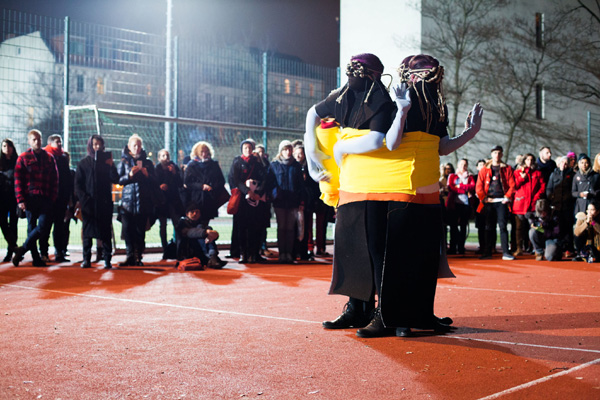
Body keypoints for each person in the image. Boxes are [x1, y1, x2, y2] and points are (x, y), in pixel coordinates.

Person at [305, 53, 482, 337]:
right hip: (375, 182)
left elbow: (438, 145)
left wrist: (469, 133)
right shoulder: (385, 100)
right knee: (364, 250)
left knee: (412, 255)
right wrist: (332, 148)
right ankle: (368, 311)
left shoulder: (434, 105)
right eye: (425, 73)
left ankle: (410, 314)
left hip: (412, 185)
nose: (432, 79)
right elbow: (387, 141)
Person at [12, 129, 58, 267]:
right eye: (34, 139)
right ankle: (35, 258)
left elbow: (55, 179)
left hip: (45, 198)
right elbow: (18, 180)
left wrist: (53, 197)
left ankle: (22, 250)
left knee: (43, 226)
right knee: (31, 227)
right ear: (29, 141)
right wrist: (20, 199)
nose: (37, 141)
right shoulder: (23, 158)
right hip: (30, 198)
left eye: (39, 139)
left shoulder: (49, 158)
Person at [75, 135, 120, 269]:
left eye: (100, 144)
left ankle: (107, 259)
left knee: (106, 232)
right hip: (88, 204)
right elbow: (78, 184)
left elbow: (116, 179)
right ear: (90, 145)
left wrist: (111, 166)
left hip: (104, 203)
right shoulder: (83, 163)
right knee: (87, 232)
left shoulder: (107, 163)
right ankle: (86, 259)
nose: (98, 147)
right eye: (95, 144)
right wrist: (84, 200)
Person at [117, 134, 157, 266]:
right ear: (129, 147)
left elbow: (155, 180)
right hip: (127, 202)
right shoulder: (124, 162)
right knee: (128, 230)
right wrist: (129, 175)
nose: (137, 148)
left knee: (140, 231)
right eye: (134, 145)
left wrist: (147, 175)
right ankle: (129, 255)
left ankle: (138, 256)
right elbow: (118, 180)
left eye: (139, 145)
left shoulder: (148, 163)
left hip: (143, 201)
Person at [228, 138, 269, 263]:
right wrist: (247, 191)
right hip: (242, 199)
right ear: (242, 149)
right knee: (241, 227)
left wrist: (258, 193)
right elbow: (235, 180)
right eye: (245, 148)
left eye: (250, 148)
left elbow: (265, 178)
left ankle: (254, 253)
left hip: (255, 200)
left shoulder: (257, 163)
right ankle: (243, 253)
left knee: (255, 227)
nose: (247, 150)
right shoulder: (237, 162)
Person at [476, 145, 516, 260]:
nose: (497, 155)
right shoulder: (484, 169)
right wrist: (483, 198)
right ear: (491, 154)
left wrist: (507, 197)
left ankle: (506, 252)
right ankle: (487, 252)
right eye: (495, 153)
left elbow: (512, 185)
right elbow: (479, 186)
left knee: (503, 226)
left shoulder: (507, 168)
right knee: (489, 227)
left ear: (502, 155)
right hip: (489, 202)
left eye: (499, 153)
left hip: (501, 201)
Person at [268, 140, 305, 263]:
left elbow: (301, 185)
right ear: (281, 151)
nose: (288, 152)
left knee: (290, 228)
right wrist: (275, 194)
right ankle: (282, 253)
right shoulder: (274, 165)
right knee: (281, 227)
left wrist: (301, 201)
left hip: (293, 202)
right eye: (285, 149)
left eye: (289, 149)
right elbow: (270, 183)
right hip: (279, 202)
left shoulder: (296, 166)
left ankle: (288, 253)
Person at [39, 134, 72, 263]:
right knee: (45, 226)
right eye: (57, 142)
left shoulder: (63, 158)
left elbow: (67, 179)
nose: (60, 144)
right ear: (50, 143)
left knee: (60, 226)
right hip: (48, 198)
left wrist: (68, 197)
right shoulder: (45, 156)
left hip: (61, 198)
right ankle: (44, 252)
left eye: (60, 142)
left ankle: (59, 252)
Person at [184, 142, 227, 226]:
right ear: (197, 152)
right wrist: (201, 186)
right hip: (195, 198)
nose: (204, 154)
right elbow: (187, 182)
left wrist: (212, 187)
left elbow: (221, 181)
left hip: (209, 198)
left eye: (206, 151)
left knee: (205, 223)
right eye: (202, 152)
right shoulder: (191, 165)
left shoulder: (213, 165)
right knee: (194, 223)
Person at [512, 153, 545, 256]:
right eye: (527, 160)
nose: (529, 162)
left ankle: (535, 248)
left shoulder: (538, 173)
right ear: (524, 161)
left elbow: (542, 187)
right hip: (520, 204)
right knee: (519, 228)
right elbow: (513, 186)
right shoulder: (517, 172)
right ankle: (519, 248)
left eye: (531, 160)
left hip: (533, 205)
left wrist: (537, 197)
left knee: (535, 227)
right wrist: (522, 178)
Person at [176, 203, 226, 269]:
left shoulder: (201, 223)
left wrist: (214, 234)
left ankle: (212, 256)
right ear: (187, 214)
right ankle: (212, 258)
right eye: (192, 212)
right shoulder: (182, 224)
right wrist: (205, 232)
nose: (195, 214)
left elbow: (207, 231)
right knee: (202, 232)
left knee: (205, 230)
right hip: (188, 254)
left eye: (197, 212)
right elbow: (190, 232)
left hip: (200, 253)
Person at [155, 149, 184, 256]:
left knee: (177, 224)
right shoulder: (156, 169)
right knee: (163, 225)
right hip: (161, 201)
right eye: (163, 156)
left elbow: (180, 183)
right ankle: (165, 249)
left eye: (167, 155)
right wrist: (159, 187)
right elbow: (152, 184)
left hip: (173, 200)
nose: (166, 158)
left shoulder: (174, 167)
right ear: (159, 158)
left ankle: (179, 249)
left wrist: (174, 173)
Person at [546, 156, 576, 257]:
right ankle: (558, 248)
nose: (564, 164)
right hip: (556, 206)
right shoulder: (553, 174)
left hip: (568, 206)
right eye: (562, 162)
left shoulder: (572, 175)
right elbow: (549, 188)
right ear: (559, 164)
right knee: (558, 228)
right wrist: (551, 197)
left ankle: (569, 249)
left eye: (566, 163)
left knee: (568, 228)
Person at [446, 158, 475, 255]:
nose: (463, 166)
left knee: (463, 226)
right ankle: (453, 247)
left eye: (465, 165)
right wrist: (464, 190)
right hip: (454, 204)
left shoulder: (470, 176)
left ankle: (461, 247)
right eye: (461, 164)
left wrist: (460, 186)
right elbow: (450, 187)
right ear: (458, 165)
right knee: (453, 226)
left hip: (465, 204)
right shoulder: (452, 176)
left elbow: (472, 186)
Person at [1, 138, 18, 262]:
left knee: (13, 224)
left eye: (9, 146)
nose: (7, 148)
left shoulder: (17, 162)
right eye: (4, 146)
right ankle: (15, 247)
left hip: (14, 198)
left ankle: (10, 252)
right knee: (2, 222)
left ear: (13, 148)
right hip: (1, 198)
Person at [473, 159, 487, 254]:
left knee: (489, 226)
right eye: (480, 165)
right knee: (480, 227)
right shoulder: (474, 178)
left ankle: (490, 246)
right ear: (477, 167)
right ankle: (482, 246)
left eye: (484, 164)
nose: (482, 166)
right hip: (478, 205)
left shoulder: (489, 176)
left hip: (488, 204)